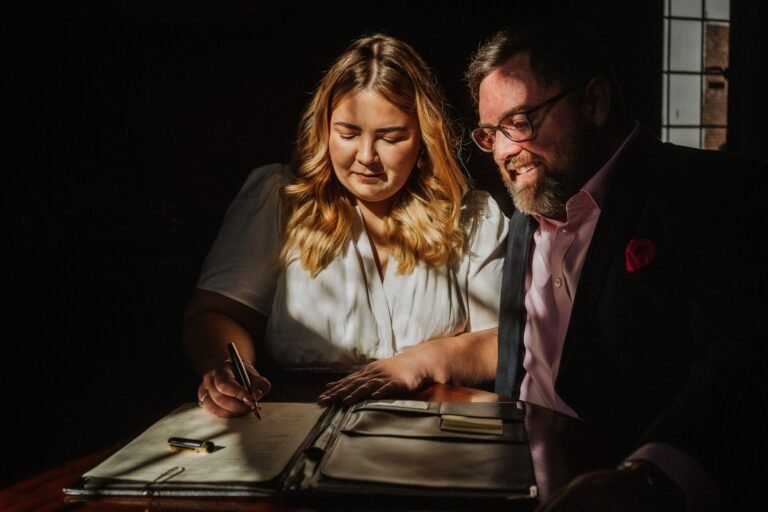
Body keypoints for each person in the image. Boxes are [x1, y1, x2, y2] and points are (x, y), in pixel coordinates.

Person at [324, 21, 764, 512]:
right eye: (492, 134)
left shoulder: (715, 194)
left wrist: (649, 478)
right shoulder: (522, 220)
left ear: (594, 102)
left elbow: (741, 367)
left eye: (520, 122)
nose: (507, 152)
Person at [183, 33, 508, 418]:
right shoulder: (279, 200)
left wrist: (421, 362)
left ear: (424, 136)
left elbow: (504, 340)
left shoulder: (471, 216)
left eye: (391, 137)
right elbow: (215, 313)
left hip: (431, 440)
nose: (366, 157)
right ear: (325, 128)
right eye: (349, 134)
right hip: (296, 427)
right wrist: (230, 370)